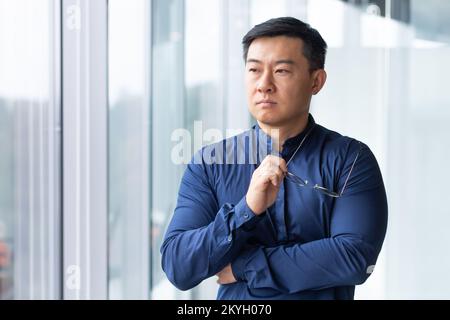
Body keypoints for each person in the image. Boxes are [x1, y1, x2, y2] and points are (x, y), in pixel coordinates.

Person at [161, 17, 388, 300]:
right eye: (254, 69)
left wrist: (245, 266)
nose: (264, 84)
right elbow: (178, 265)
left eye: (281, 71)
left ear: (316, 81)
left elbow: (354, 256)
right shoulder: (211, 164)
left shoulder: (350, 159)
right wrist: (246, 210)